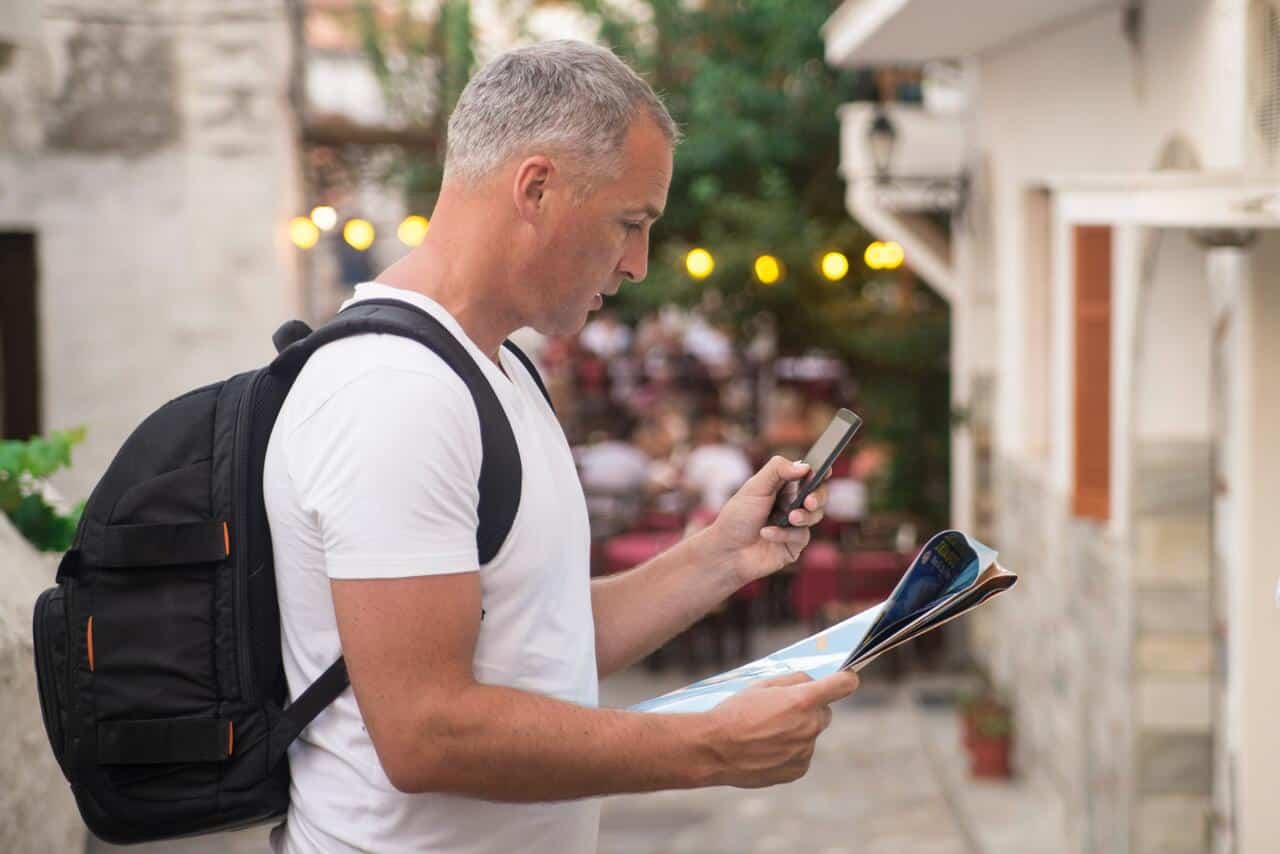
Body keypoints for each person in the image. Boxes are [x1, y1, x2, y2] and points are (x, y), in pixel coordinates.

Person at [263, 39, 856, 854]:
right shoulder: (393, 389)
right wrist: (707, 746)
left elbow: (542, 637)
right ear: (536, 187)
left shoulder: (497, 367)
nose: (640, 263)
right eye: (630, 222)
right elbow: (426, 731)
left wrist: (720, 555)